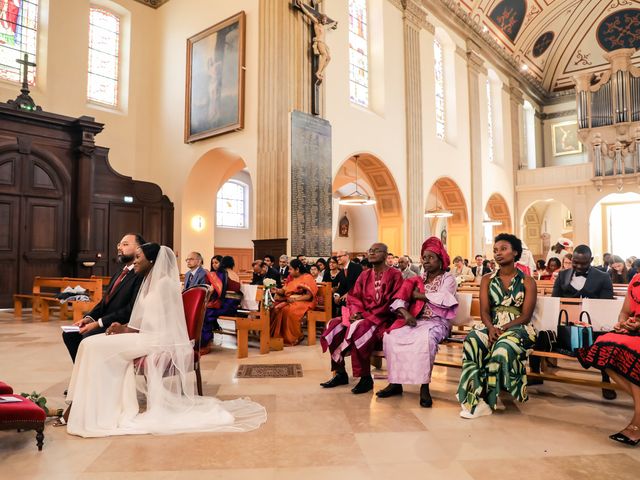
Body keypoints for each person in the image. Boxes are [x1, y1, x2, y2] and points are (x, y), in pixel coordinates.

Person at [66, 244, 266, 437]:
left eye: (138, 258)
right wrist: (124, 328)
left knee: (95, 348)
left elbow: (167, 323)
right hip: (143, 335)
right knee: (87, 343)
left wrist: (130, 331)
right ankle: (81, 403)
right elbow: (141, 319)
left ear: (151, 260)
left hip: (157, 339)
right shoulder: (147, 282)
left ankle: (105, 408)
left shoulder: (165, 285)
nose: (134, 262)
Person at [457, 233, 537, 419]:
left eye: (503, 249)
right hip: (492, 324)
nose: (498, 253)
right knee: (473, 340)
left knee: (502, 348)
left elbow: (526, 316)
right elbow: (484, 310)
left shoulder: (527, 281)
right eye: (495, 250)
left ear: (515, 252)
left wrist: (504, 328)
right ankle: (472, 397)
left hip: (519, 327)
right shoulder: (487, 279)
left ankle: (486, 399)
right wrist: (492, 328)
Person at [378, 237, 458, 407]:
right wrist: (405, 313)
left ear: (440, 259)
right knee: (392, 336)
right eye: (424, 257)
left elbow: (444, 297)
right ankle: (395, 383)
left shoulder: (448, 278)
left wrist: (419, 296)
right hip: (415, 320)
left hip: (437, 322)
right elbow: (400, 297)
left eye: (431, 257)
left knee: (425, 340)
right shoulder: (417, 278)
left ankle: (424, 387)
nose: (426, 261)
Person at [320, 243, 403, 394]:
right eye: (370, 250)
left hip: (382, 319)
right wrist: (356, 312)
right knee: (333, 325)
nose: (371, 253)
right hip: (362, 316)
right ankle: (340, 373)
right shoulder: (364, 275)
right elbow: (354, 296)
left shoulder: (395, 275)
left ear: (385, 255)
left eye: (376, 251)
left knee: (359, 328)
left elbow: (395, 301)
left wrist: (363, 316)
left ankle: (365, 378)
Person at [62, 233, 146, 363]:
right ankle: (82, 376)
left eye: (125, 244)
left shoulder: (139, 275)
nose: (119, 248)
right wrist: (88, 318)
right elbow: (104, 302)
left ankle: (91, 376)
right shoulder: (119, 272)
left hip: (118, 324)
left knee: (87, 338)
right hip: (103, 321)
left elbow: (130, 310)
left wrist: (98, 323)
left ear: (139, 248)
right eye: (119, 244)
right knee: (69, 334)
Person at [578, 273, 640, 446]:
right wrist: (622, 323)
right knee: (602, 346)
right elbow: (625, 312)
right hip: (633, 331)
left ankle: (637, 422)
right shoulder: (636, 279)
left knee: (632, 354)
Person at [548, 244, 615, 399]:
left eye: (583, 263)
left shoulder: (603, 277)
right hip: (566, 323)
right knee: (540, 330)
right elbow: (554, 301)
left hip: (593, 324)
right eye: (575, 262)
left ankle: (606, 380)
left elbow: (605, 305)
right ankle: (535, 373)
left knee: (605, 339)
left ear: (591, 260)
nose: (578, 266)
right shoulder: (562, 275)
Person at [200, 256, 243, 355]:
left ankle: (204, 344)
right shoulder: (235, 274)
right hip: (233, 306)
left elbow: (216, 291)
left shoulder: (222, 274)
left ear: (222, 263)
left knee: (206, 314)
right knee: (207, 312)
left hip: (225, 305)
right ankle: (207, 340)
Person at [270, 259, 318, 346]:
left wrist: (295, 299)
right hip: (291, 300)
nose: (289, 271)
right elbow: (284, 290)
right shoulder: (291, 279)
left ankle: (296, 336)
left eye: (290, 269)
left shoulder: (307, 277)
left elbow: (309, 296)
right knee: (277, 308)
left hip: (305, 301)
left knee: (290, 310)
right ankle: (279, 336)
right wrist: (276, 290)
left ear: (297, 270)